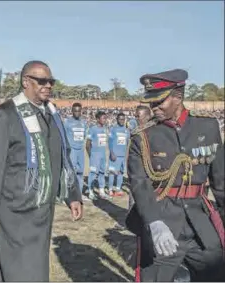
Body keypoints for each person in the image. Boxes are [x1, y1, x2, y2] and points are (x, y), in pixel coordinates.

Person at [0, 60, 83, 281]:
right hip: (14, 211)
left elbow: (61, 155)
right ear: (26, 82)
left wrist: (73, 195)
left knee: (35, 271)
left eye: (51, 81)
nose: (48, 86)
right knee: (19, 272)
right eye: (42, 81)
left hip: (41, 210)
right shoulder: (6, 115)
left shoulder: (51, 114)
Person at [126, 69, 224, 281]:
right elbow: (140, 184)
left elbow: (221, 182)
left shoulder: (207, 127)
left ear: (178, 96)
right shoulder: (143, 137)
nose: (154, 107)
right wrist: (154, 222)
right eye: (151, 102)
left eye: (159, 101)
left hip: (201, 224)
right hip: (163, 224)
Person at [64, 102, 87, 196]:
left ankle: (79, 193)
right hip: (72, 151)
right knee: (71, 173)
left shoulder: (83, 122)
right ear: (72, 111)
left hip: (80, 150)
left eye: (79, 111)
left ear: (81, 111)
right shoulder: (67, 122)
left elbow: (84, 135)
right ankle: (69, 195)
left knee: (80, 172)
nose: (77, 113)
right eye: (75, 111)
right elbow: (64, 137)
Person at [86, 111, 109, 200]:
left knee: (102, 173)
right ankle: (90, 192)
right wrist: (91, 155)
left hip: (103, 155)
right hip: (95, 155)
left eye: (105, 118)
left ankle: (101, 191)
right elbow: (87, 144)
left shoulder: (105, 128)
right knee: (92, 173)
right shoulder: (93, 129)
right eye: (103, 118)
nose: (105, 120)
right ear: (98, 119)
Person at [107, 112, 129, 197]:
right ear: (117, 120)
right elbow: (109, 142)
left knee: (120, 173)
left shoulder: (127, 130)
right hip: (114, 155)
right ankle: (110, 190)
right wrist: (112, 152)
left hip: (122, 156)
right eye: (120, 119)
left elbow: (127, 143)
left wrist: (126, 155)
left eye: (123, 119)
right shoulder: (113, 129)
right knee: (112, 172)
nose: (122, 121)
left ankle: (118, 189)